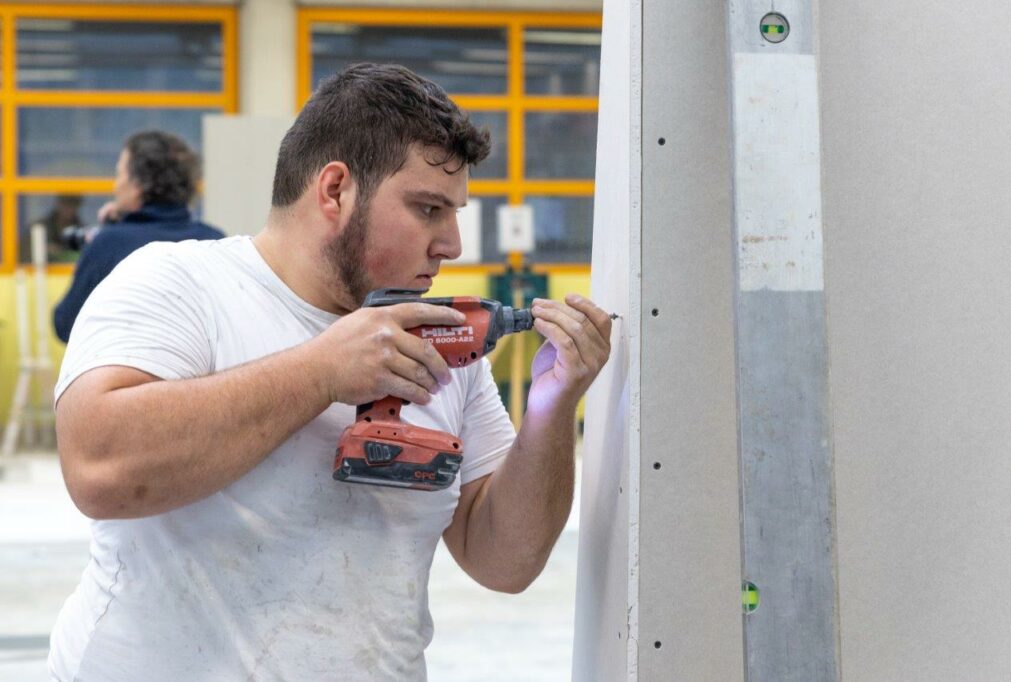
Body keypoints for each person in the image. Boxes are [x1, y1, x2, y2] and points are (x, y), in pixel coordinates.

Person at [50, 63, 611, 680]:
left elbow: (506, 562)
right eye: (428, 209)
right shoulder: (179, 283)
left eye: (455, 213)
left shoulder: (438, 340)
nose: (451, 243)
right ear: (336, 190)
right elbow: (99, 468)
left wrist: (553, 410)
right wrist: (323, 370)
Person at [52, 130, 224, 343]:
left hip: (135, 375)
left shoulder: (108, 244)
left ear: (138, 184)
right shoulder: (215, 241)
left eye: (119, 174)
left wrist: (103, 240)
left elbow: (66, 325)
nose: (115, 186)